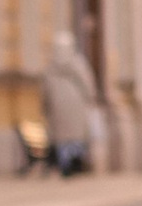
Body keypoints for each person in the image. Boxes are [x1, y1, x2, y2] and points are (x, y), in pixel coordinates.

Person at [40, 31, 98, 177]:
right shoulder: (78, 64)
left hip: (58, 109)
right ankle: (74, 163)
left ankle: (66, 164)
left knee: (63, 140)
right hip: (75, 107)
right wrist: (90, 99)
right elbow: (87, 85)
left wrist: (45, 106)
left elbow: (45, 91)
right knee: (75, 138)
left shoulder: (50, 68)